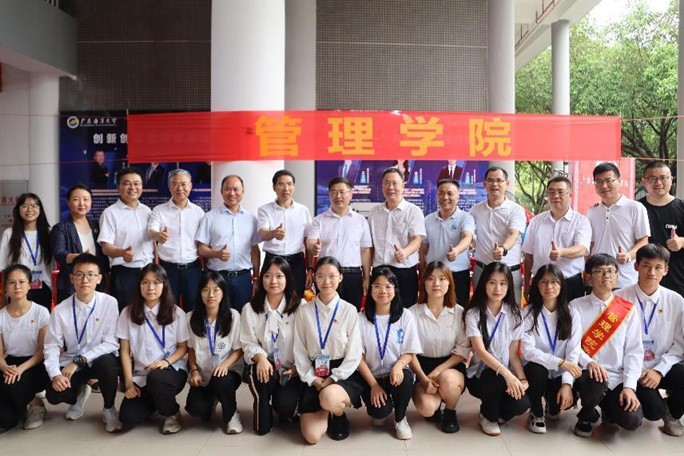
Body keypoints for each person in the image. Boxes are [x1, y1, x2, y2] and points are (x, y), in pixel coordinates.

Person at [44, 253, 121, 432]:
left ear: (99, 278)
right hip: (71, 362)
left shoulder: (109, 303)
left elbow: (111, 342)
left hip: (98, 359)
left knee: (107, 363)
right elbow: (51, 346)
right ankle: (79, 392)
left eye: (90, 275)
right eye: (79, 275)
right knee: (54, 394)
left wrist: (79, 360)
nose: (85, 280)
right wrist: (55, 374)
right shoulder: (60, 310)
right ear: (72, 278)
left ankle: (109, 408)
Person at [615, 244, 684, 436]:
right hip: (629, 369)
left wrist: (659, 371)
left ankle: (673, 413)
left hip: (661, 367)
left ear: (666, 270)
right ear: (636, 266)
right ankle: (611, 409)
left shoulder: (676, 301)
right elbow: (613, 344)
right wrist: (636, 370)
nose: (651, 272)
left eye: (658, 267)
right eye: (646, 265)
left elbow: (679, 345)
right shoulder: (618, 298)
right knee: (654, 411)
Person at [571, 254, 643, 437]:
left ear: (617, 276)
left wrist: (629, 387)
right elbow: (571, 346)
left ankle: (608, 409)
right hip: (586, 374)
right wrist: (589, 362)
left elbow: (634, 351)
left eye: (610, 271)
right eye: (599, 271)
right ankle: (586, 415)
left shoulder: (628, 309)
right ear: (588, 277)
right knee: (596, 380)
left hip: (617, 377)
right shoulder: (576, 306)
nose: (606, 276)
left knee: (632, 420)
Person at [293, 256, 364, 444]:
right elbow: (299, 350)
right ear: (314, 278)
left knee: (330, 397)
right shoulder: (304, 311)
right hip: (314, 371)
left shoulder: (349, 310)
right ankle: (326, 408)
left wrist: (333, 378)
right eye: (321, 276)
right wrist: (312, 378)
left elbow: (354, 353)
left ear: (341, 277)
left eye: (332, 276)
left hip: (342, 372)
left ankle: (338, 413)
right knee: (312, 437)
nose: (326, 281)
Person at [116, 263, 189, 434]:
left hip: (170, 370)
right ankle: (156, 404)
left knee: (156, 378)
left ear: (164, 285)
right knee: (128, 417)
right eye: (145, 282)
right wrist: (129, 384)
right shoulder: (127, 313)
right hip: (141, 374)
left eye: (156, 282)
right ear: (139, 285)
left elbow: (183, 348)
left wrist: (165, 362)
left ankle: (172, 414)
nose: (150, 287)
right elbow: (124, 351)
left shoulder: (176, 313)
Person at [464, 262, 530, 436]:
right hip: (479, 376)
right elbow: (480, 352)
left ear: (509, 286)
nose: (497, 288)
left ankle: (495, 412)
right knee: (496, 379)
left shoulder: (515, 314)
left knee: (522, 403)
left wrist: (521, 379)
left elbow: (513, 354)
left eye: (503, 283)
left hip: (505, 375)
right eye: (492, 282)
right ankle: (488, 417)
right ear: (484, 283)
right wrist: (508, 375)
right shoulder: (473, 314)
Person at [240, 256, 303, 435]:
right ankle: (262, 406)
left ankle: (284, 408)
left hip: (291, 370)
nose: (273, 281)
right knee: (262, 428)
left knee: (286, 407)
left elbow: (306, 342)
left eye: (279, 276)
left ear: (288, 279)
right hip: (265, 367)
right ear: (261, 279)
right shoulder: (250, 308)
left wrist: (297, 368)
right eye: (268, 276)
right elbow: (248, 341)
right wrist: (260, 358)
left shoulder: (300, 307)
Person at [357, 267, 421, 440]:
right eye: (377, 286)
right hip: (372, 376)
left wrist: (399, 365)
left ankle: (400, 419)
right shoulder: (360, 318)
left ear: (395, 289)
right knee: (379, 413)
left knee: (405, 379)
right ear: (370, 289)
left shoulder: (405, 316)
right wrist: (374, 385)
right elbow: (358, 358)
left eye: (388, 286)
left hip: (396, 373)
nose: (382, 291)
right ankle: (383, 410)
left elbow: (410, 351)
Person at [409, 261, 470, 434]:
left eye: (442, 279)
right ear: (423, 283)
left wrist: (438, 371)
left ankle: (450, 411)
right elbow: (409, 352)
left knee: (448, 381)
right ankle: (435, 406)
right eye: (431, 279)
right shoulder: (411, 313)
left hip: (450, 365)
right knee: (427, 408)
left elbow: (462, 350)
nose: (436, 284)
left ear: (449, 283)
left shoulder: (459, 313)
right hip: (421, 367)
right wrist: (423, 379)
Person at [521, 264, 582, 434]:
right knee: (536, 370)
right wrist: (559, 362)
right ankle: (536, 412)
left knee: (559, 406)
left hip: (561, 372)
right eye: (544, 282)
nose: (549, 286)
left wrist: (567, 384)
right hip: (537, 370)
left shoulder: (572, 314)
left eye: (554, 281)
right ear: (537, 285)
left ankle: (551, 402)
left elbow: (573, 351)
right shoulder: (527, 313)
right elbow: (528, 351)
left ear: (562, 285)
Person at [186, 271, 243, 434]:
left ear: (223, 292)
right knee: (196, 408)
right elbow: (190, 348)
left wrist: (224, 365)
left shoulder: (233, 316)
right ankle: (212, 399)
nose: (211, 295)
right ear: (200, 293)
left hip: (228, 372)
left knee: (221, 380)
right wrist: (194, 370)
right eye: (206, 290)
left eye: (216, 290)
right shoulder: (190, 317)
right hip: (203, 374)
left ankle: (232, 415)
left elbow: (239, 349)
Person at [196, 175, 260, 311]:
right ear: (221, 191)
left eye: (236, 189)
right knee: (218, 315)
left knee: (243, 316)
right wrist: (216, 254)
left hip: (243, 278)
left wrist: (256, 278)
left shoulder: (251, 219)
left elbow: (255, 250)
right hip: (217, 278)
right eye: (227, 189)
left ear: (243, 191)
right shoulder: (210, 217)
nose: (232, 193)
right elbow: (201, 248)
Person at [522, 176, 591, 302]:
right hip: (540, 283)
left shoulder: (581, 221)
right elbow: (528, 255)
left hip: (569, 283)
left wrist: (561, 252)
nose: (556, 196)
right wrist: (526, 284)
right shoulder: (536, 221)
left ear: (570, 195)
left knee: (570, 315)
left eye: (561, 192)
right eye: (551, 192)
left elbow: (582, 249)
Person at [307, 177, 372, 309]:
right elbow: (310, 241)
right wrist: (314, 247)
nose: (338, 196)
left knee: (352, 313)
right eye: (334, 192)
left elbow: (365, 250)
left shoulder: (360, 221)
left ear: (350, 194)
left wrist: (367, 278)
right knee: (325, 312)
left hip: (352, 276)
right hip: (327, 276)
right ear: (329, 195)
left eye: (342, 192)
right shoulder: (319, 220)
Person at [0, 264, 50, 432]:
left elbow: (42, 351)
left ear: (29, 285)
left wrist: (20, 369)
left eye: (22, 282)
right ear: (5, 287)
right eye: (12, 282)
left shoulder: (41, 312)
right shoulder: (1, 316)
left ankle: (36, 404)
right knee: (6, 419)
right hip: (10, 364)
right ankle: (17, 409)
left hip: (35, 364)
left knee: (13, 384)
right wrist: (6, 368)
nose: (17, 286)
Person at [368, 168, 426, 308]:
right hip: (379, 270)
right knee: (379, 311)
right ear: (382, 186)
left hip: (404, 271)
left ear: (402, 186)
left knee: (406, 310)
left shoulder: (413, 211)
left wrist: (405, 252)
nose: (391, 187)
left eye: (394, 183)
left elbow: (417, 239)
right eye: (386, 183)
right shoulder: (374, 212)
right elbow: (370, 244)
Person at [149, 169, 205, 312]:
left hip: (193, 270)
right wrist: (158, 235)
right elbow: (151, 232)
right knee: (167, 310)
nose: (180, 188)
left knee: (194, 311)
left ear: (190, 186)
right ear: (169, 187)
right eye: (175, 184)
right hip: (168, 270)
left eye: (184, 184)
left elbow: (203, 242)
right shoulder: (159, 210)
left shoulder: (198, 212)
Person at [98, 167, 154, 311]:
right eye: (127, 183)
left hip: (148, 271)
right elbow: (106, 247)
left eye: (136, 183)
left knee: (148, 313)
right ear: (118, 188)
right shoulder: (110, 213)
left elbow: (152, 243)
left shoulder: (147, 211)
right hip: (124, 273)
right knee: (126, 314)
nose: (132, 187)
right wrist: (122, 252)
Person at [469, 167, 526, 305]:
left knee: (512, 312)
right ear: (484, 184)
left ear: (507, 183)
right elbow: (468, 233)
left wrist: (503, 249)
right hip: (482, 271)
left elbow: (514, 234)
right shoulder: (475, 210)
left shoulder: (516, 210)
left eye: (499, 180)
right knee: (480, 310)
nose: (495, 184)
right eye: (490, 180)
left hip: (509, 271)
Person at [587, 162, 650, 289]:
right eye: (599, 181)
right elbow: (590, 245)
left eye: (608, 180)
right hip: (596, 280)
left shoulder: (635, 208)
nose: (604, 186)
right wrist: (586, 269)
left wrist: (628, 255)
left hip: (624, 279)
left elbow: (643, 241)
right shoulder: (592, 211)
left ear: (619, 181)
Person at [258, 170, 313, 298]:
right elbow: (263, 234)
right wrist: (274, 233)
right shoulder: (264, 210)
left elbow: (308, 240)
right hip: (273, 260)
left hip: (296, 262)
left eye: (289, 184)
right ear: (274, 187)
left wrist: (310, 268)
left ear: (294, 187)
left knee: (296, 299)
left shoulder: (303, 210)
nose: (286, 188)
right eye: (281, 184)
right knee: (270, 299)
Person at [420, 179, 475, 306]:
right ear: (437, 195)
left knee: (459, 310)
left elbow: (467, 237)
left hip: (458, 274)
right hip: (433, 275)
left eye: (450, 193)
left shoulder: (465, 218)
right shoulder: (428, 220)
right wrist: (423, 271)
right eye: (441, 193)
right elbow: (423, 248)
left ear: (458, 196)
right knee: (433, 309)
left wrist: (456, 251)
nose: (445, 197)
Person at [51, 184, 109, 303]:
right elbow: (59, 253)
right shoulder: (60, 228)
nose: (82, 203)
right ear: (68, 202)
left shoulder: (97, 226)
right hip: (71, 283)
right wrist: (80, 257)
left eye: (86, 199)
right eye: (76, 199)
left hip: (95, 282)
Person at [638, 160, 684, 297]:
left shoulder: (681, 207)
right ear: (643, 181)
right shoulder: (636, 209)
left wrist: (681, 242)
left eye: (663, 178)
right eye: (652, 178)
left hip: (677, 277)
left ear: (671, 179)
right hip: (643, 278)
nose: (658, 182)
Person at [0, 193, 53, 309]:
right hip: (17, 286)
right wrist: (3, 292)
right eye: (25, 206)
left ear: (40, 209)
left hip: (43, 286)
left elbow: (52, 265)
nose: (29, 209)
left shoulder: (48, 233)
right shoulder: (9, 233)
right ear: (18, 209)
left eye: (34, 206)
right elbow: (2, 265)